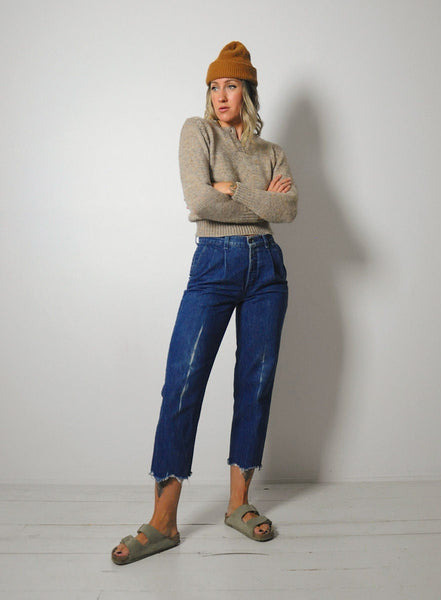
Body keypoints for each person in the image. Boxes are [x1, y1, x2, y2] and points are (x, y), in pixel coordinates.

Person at [111, 41, 298, 565]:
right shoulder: (197, 131)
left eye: (231, 85)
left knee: (255, 384)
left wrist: (234, 189)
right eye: (214, 86)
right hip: (214, 266)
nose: (220, 95)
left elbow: (288, 210)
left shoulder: (271, 152)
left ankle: (240, 504)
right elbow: (198, 199)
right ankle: (163, 521)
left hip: (267, 270)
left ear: (248, 92)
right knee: (183, 381)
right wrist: (259, 199)